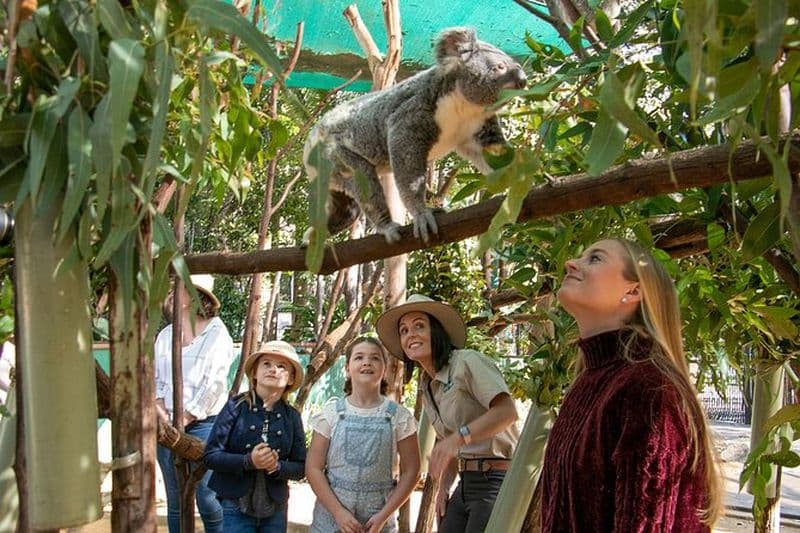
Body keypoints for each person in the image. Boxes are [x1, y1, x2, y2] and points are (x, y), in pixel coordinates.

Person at [540, 238, 723, 532]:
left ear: (634, 290)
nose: (571, 263)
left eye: (595, 258)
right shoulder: (589, 382)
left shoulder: (649, 388)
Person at [376, 295, 519, 533]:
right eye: (404, 330)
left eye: (419, 325)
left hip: (497, 480)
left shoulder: (467, 362)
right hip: (465, 483)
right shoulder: (428, 384)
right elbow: (448, 441)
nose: (410, 334)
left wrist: (459, 438)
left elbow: (507, 412)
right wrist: (444, 487)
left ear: (437, 330)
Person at [306, 336, 421, 533]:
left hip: (377, 523)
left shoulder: (399, 417)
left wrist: (383, 516)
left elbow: (412, 472)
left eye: (375, 358)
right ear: (347, 368)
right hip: (330, 522)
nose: (367, 362)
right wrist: (338, 513)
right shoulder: (330, 414)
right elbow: (313, 468)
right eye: (359, 357)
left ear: (385, 369)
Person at [155, 274, 234, 533]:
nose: (171, 293)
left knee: (207, 496)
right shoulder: (166, 334)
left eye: (177, 288)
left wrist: (186, 418)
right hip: (166, 423)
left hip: (205, 424)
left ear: (194, 296)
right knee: (175, 498)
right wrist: (160, 411)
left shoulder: (217, 332)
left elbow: (215, 384)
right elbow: (156, 377)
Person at [204, 340, 307, 532]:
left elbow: (301, 467)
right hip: (235, 503)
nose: (273, 369)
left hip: (276, 507)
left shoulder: (292, 416)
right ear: (254, 373)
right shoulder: (234, 407)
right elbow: (211, 456)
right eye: (266, 363)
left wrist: (277, 466)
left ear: (291, 378)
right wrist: (248, 461)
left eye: (282, 366)